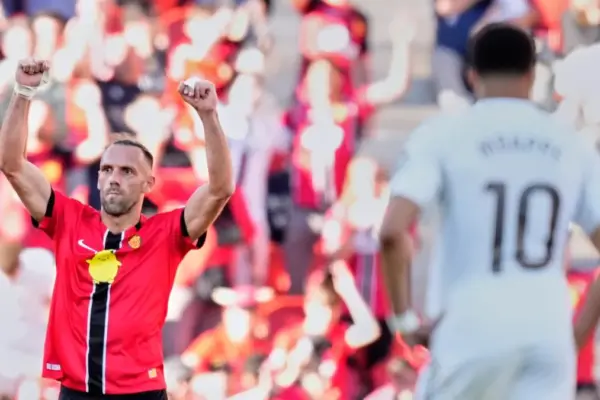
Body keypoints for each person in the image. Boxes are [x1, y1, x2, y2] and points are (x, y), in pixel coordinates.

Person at [379, 23, 600, 400]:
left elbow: (391, 231)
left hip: (471, 327)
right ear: (532, 75)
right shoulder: (570, 144)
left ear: (471, 75)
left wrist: (403, 319)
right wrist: (578, 333)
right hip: (545, 329)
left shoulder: (445, 134)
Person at [0, 58, 234, 399]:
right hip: (78, 390)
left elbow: (219, 189)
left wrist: (209, 116)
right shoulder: (69, 220)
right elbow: (11, 164)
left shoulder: (166, 234)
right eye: (107, 169)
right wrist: (22, 93)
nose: (114, 178)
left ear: (148, 183)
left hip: (140, 392)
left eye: (127, 171)